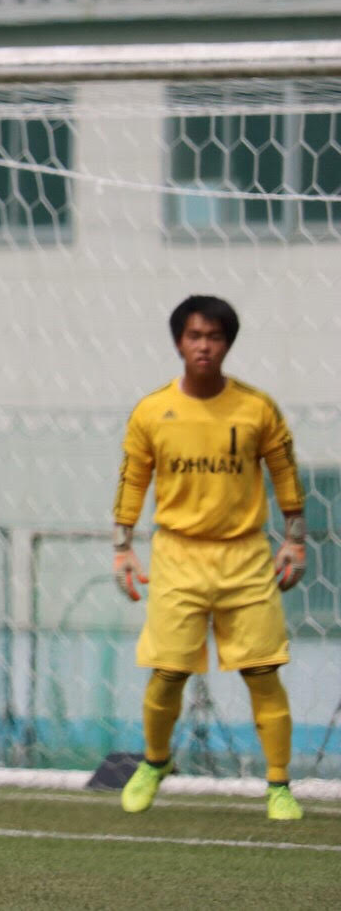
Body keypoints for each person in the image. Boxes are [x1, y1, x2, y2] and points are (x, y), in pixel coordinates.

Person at [111, 295, 307, 821]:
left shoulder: (256, 407)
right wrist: (124, 547)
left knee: (263, 672)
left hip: (245, 556)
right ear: (179, 341)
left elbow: (285, 471)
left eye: (214, 337)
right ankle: (154, 763)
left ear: (228, 344)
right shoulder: (153, 410)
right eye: (195, 336)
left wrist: (295, 537)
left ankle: (279, 786)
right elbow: (134, 478)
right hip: (177, 554)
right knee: (167, 673)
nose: (204, 346)